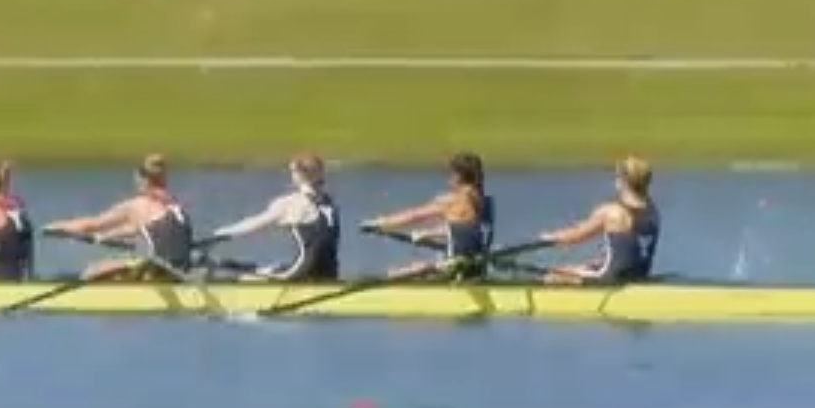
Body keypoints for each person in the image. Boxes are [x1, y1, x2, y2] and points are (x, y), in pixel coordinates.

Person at [45, 154, 193, 280]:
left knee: (91, 271)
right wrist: (104, 237)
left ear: (144, 180)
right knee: (126, 264)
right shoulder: (174, 204)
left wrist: (56, 227)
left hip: (157, 272)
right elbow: (136, 229)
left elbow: (92, 224)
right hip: (181, 271)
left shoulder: (137, 206)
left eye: (136, 179)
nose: (135, 183)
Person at [361, 152, 494, 280]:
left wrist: (378, 223)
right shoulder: (484, 202)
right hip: (476, 268)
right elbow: (464, 235)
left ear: (458, 176)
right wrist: (426, 235)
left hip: (456, 270)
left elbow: (414, 216)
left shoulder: (451, 201)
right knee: (420, 266)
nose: (447, 177)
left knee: (397, 273)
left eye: (450, 173)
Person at [209, 152, 340, 281]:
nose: (291, 176)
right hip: (329, 275)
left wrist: (221, 234)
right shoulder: (329, 202)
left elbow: (254, 224)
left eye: (292, 172)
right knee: (265, 269)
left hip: (299, 273)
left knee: (241, 276)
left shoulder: (291, 203)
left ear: (299, 175)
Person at [540, 156, 661, 286]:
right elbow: (629, 251)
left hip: (609, 280)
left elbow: (574, 237)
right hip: (638, 276)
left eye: (617, 177)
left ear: (623, 182)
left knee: (553, 274)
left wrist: (551, 237)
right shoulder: (653, 211)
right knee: (580, 267)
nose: (615, 180)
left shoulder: (611, 212)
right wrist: (595, 264)